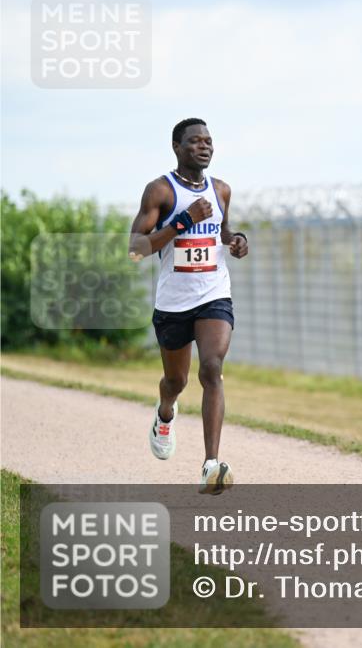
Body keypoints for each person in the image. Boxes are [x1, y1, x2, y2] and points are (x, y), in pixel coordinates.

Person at [128, 118, 248, 494]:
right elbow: (136, 248)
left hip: (214, 293)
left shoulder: (222, 190)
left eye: (209, 141)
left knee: (212, 368)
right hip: (173, 302)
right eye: (195, 141)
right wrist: (181, 222)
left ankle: (211, 465)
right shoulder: (160, 191)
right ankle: (165, 414)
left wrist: (237, 240)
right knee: (175, 381)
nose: (205, 146)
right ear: (177, 147)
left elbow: (222, 231)